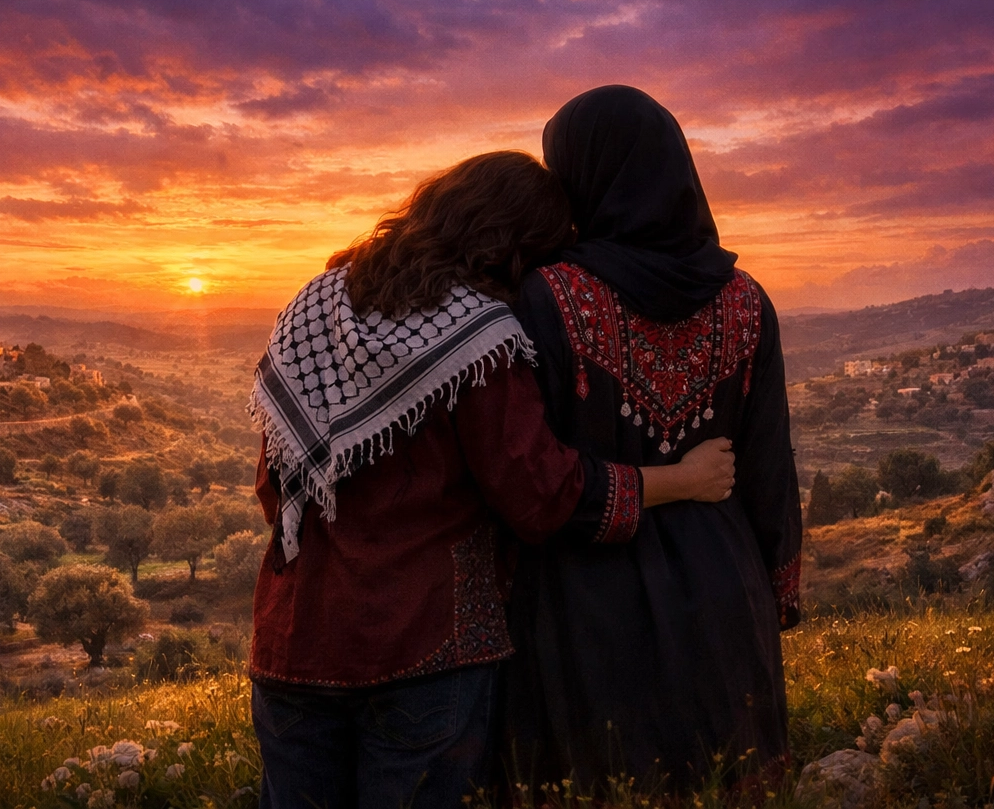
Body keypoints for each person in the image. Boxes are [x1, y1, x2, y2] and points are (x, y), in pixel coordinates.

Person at [246, 150, 738, 809]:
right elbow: (543, 496)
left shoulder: (313, 306)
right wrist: (682, 479)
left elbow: (274, 485)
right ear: (519, 245)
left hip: (292, 641)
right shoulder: (478, 340)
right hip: (424, 645)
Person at [500, 85, 804, 794]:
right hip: (724, 588)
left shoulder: (548, 296)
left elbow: (528, 468)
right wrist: (776, 592)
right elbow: (768, 468)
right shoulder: (745, 302)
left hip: (584, 602)